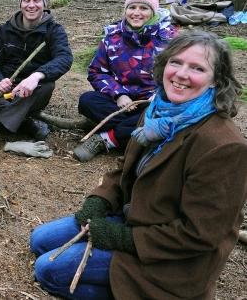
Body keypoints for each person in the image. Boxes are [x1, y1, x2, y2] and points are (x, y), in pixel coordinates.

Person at [30, 31, 247, 299]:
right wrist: (100, 201)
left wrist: (121, 238)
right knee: (39, 241)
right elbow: (125, 168)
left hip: (170, 258)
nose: (181, 74)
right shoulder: (158, 111)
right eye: (176, 62)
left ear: (216, 80)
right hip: (134, 217)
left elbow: (200, 235)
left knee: (47, 271)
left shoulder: (223, 146)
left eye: (197, 68)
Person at [0, 0, 73, 153]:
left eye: (37, 0)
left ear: (44, 4)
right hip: (9, 91)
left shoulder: (54, 30)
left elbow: (65, 58)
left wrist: (37, 75)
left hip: (33, 90)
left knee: (47, 86)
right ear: (20, 3)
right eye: (27, 0)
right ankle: (26, 122)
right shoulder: (6, 30)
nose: (31, 5)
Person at [73, 0, 177, 162]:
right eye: (132, 7)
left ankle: (107, 139)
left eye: (143, 8)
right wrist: (119, 94)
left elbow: (177, 77)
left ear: (153, 12)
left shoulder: (170, 39)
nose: (136, 13)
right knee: (87, 101)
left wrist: (156, 97)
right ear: (125, 10)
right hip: (119, 104)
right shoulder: (112, 37)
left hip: (152, 104)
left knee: (159, 115)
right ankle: (139, 136)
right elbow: (96, 71)